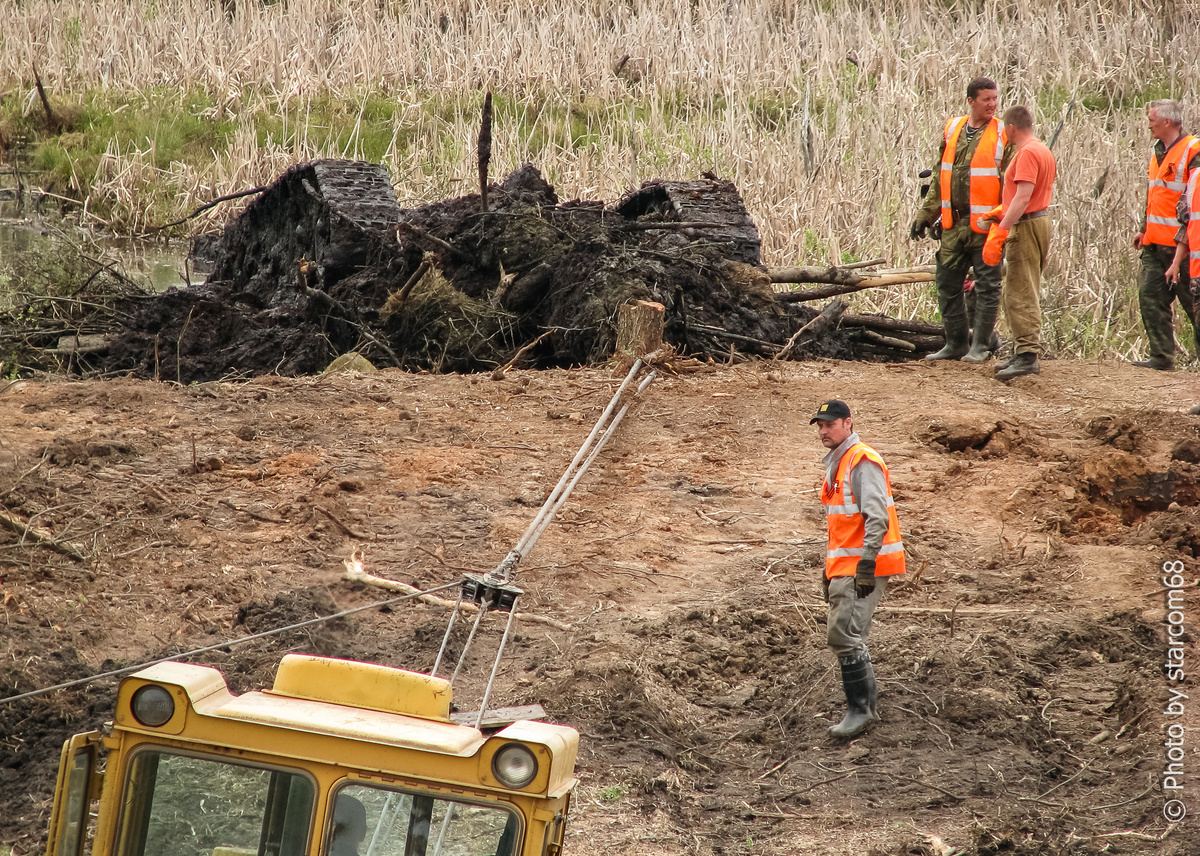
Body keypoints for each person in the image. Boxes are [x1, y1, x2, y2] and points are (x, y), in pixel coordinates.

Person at [811, 400, 905, 739]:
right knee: (849, 635)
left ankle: (861, 710)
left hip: (863, 566)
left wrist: (866, 564)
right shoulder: (839, 462)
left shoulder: (861, 461)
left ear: (847, 423)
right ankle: (863, 708)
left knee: (844, 635)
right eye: (820, 426)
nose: (824, 431)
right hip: (846, 565)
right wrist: (830, 570)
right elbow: (841, 528)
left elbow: (877, 517)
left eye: (830, 424)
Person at [910, 77, 1015, 362]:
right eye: (986, 99)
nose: (992, 104)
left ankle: (980, 346)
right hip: (953, 225)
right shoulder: (953, 128)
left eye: (995, 99)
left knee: (988, 286)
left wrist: (1005, 221)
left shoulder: (1003, 133)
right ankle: (956, 344)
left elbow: (1012, 183)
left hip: (986, 226)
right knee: (947, 282)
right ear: (971, 101)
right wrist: (925, 214)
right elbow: (939, 176)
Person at [981, 105, 1057, 381]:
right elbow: (1028, 196)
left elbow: (1023, 197)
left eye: (1005, 129)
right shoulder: (1042, 150)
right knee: (1022, 286)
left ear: (1012, 128)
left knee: (1020, 290)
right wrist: (1001, 211)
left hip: (1026, 225)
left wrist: (1001, 230)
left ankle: (1027, 356)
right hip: (1037, 220)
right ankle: (1021, 351)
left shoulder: (1026, 153)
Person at [1132, 99, 1200, 371]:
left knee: (1194, 309)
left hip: (1184, 248)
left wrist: (1183, 243)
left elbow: (1193, 202)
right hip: (1154, 244)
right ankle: (1161, 358)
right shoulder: (1158, 151)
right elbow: (1154, 195)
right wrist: (1143, 228)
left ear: (1167, 122)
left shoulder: (1193, 150)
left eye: (1152, 120)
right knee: (1150, 297)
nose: (1148, 125)